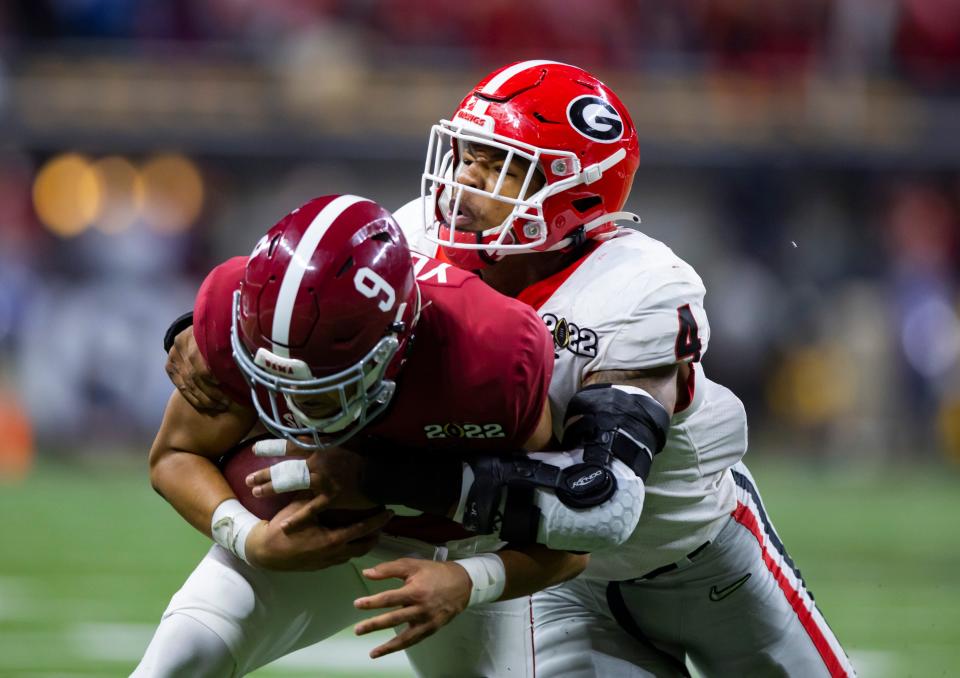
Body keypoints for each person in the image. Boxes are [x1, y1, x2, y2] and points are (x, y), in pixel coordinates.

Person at [208, 61, 857, 677]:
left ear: (576, 193)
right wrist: (206, 327)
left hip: (698, 559)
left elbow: (601, 503)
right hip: (551, 582)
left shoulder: (638, 289)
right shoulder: (414, 241)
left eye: (500, 168)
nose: (463, 184)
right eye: (466, 156)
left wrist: (381, 477)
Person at [135, 194, 597, 678]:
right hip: (304, 526)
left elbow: (570, 540)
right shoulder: (241, 316)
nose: (293, 405)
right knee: (178, 659)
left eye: (321, 386)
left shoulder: (491, 359)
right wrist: (252, 540)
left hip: (459, 549)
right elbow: (174, 455)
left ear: (394, 343)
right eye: (274, 380)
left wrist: (469, 580)